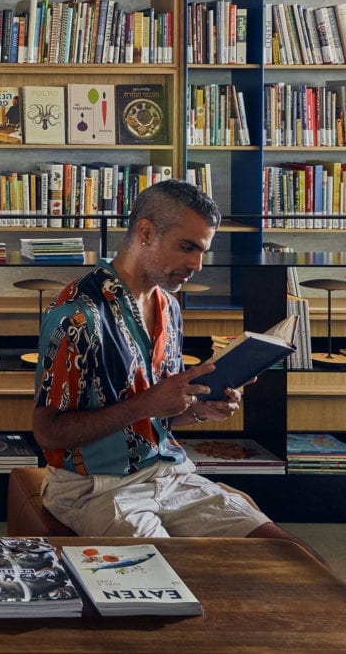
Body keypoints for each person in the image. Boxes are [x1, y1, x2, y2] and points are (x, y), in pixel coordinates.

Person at [32, 179, 324, 562]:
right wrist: (146, 404)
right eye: (187, 248)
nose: (196, 265)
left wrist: (200, 408)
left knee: (294, 555)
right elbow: (48, 433)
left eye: (202, 251)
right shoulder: (77, 313)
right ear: (146, 232)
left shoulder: (169, 307)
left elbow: (160, 417)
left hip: (172, 475)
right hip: (96, 488)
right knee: (173, 574)